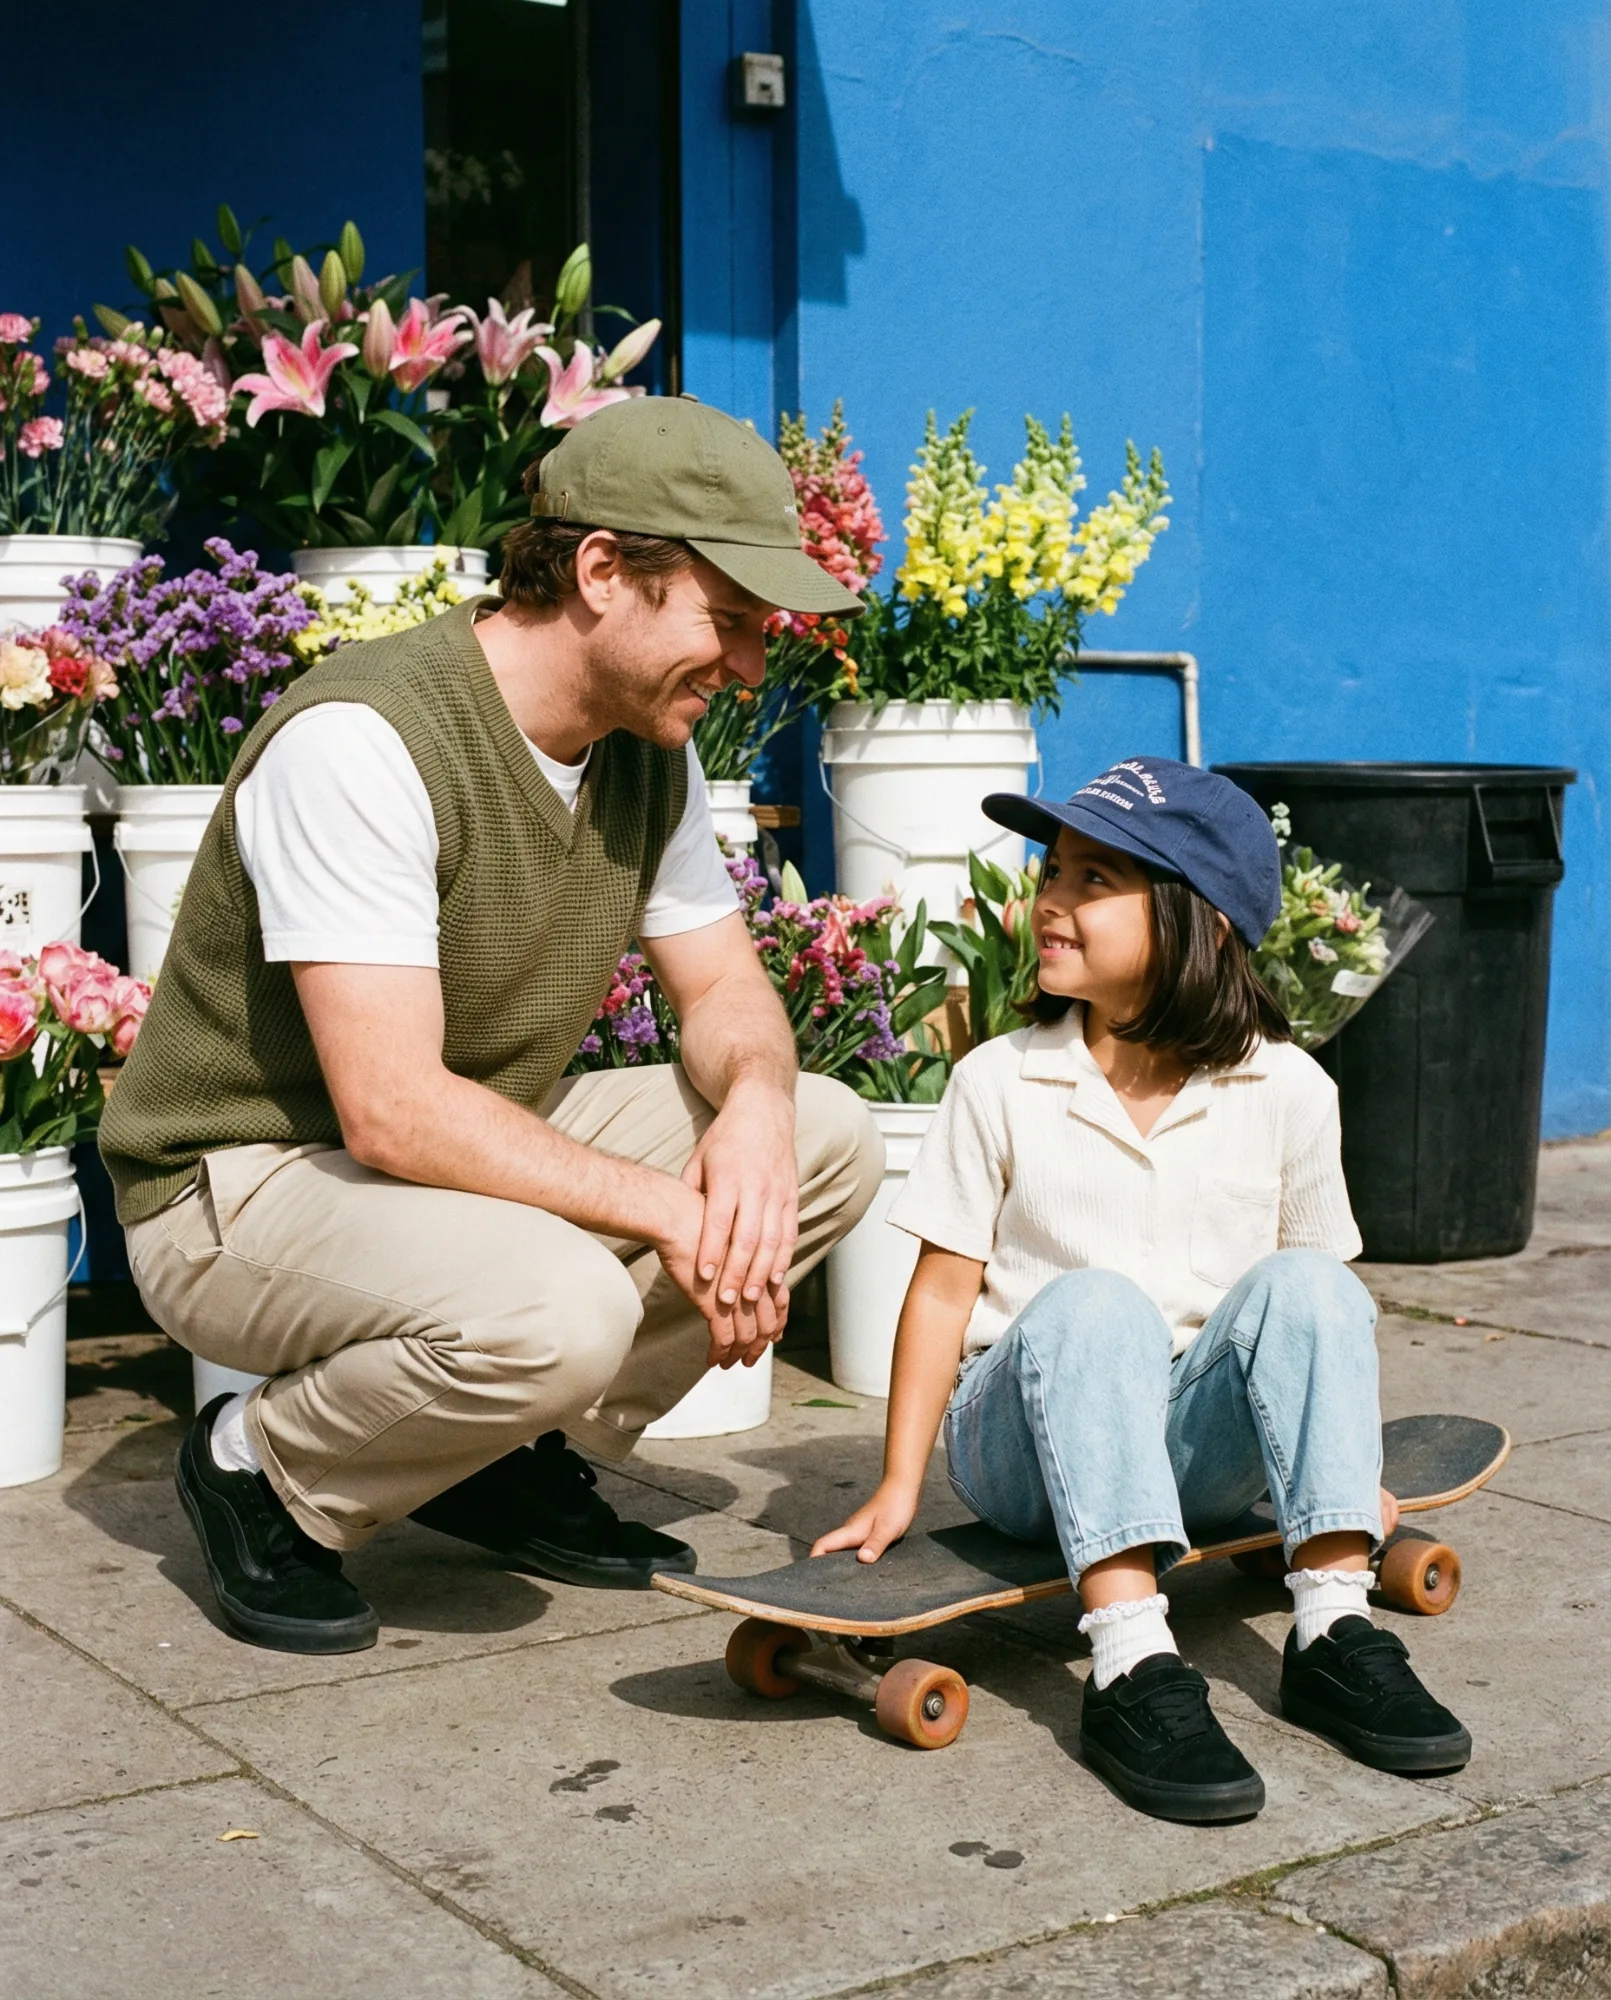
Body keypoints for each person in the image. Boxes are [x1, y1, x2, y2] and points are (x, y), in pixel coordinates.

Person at [101, 395, 883, 1657]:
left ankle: (500, 1452)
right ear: (600, 571)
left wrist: (755, 1108)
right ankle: (261, 1465)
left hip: (435, 1144)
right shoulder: (367, 740)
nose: (748, 666)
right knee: (561, 1305)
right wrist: (675, 1210)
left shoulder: (649, 754)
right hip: (238, 1175)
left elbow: (730, 993)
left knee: (827, 1136)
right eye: (728, 620)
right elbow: (389, 1106)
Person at [815, 757, 1470, 1822]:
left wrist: (1344, 1472)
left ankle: (1336, 1626)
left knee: (1306, 1280)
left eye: (1095, 877)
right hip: (1022, 1447)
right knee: (1096, 1300)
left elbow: (1323, 1310)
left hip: (1200, 1452)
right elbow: (941, 1291)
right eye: (1055, 869)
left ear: (1201, 923)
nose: (1053, 897)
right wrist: (898, 1482)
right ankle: (1131, 1660)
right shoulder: (1001, 1077)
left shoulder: (1288, 1088)